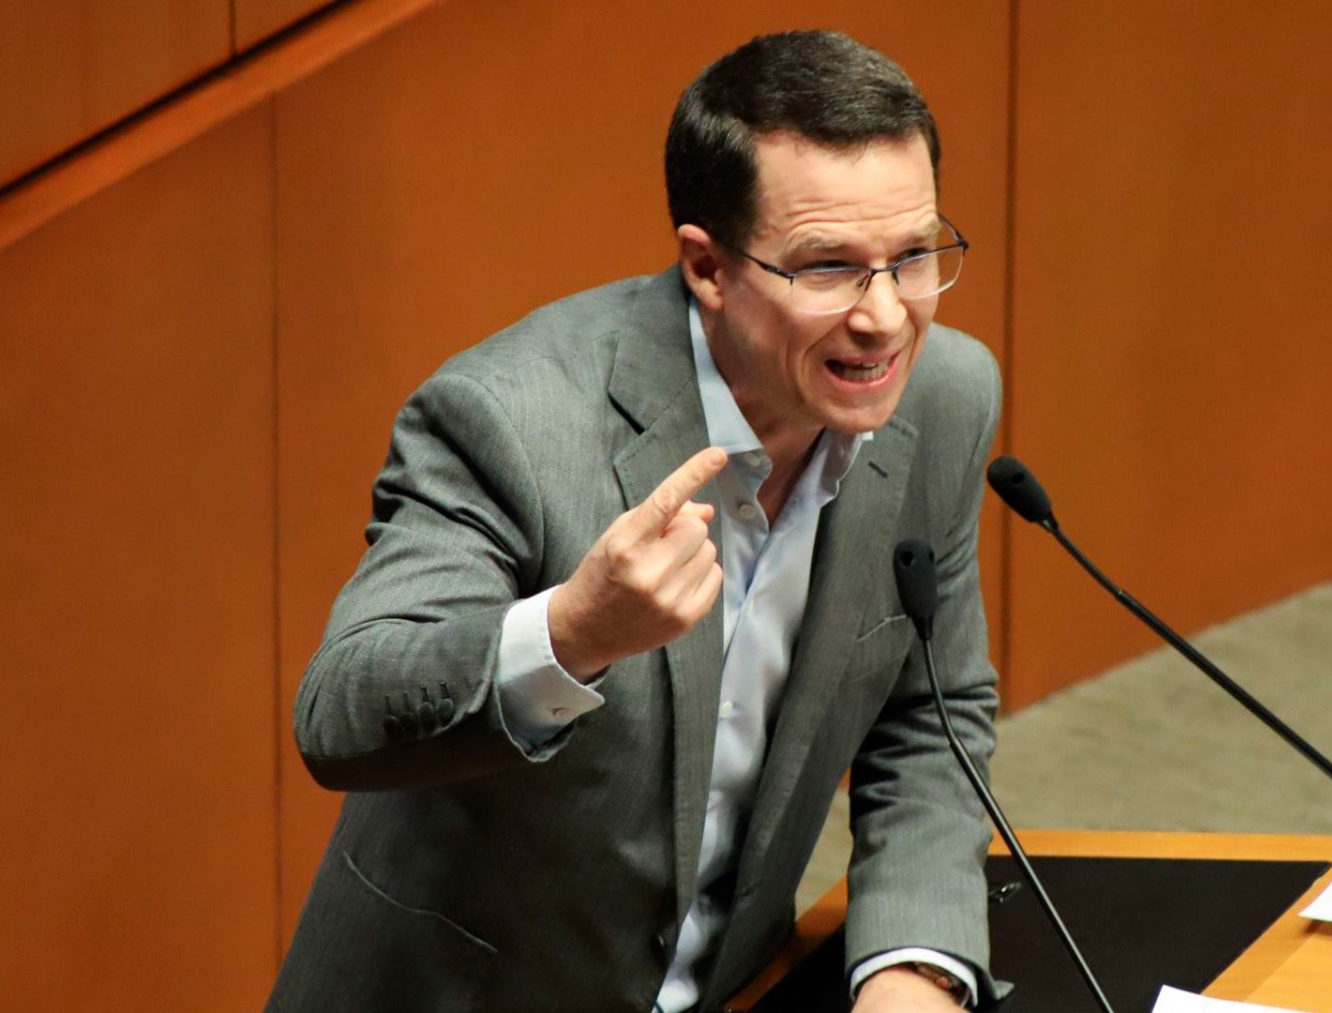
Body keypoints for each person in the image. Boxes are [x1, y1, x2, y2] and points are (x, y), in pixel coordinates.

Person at [268, 30, 1002, 1013]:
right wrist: (570, 635)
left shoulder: (943, 397)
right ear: (708, 267)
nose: (885, 317)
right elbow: (341, 714)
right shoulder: (514, 420)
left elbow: (931, 715)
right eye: (828, 267)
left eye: (912, 257)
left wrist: (913, 966)